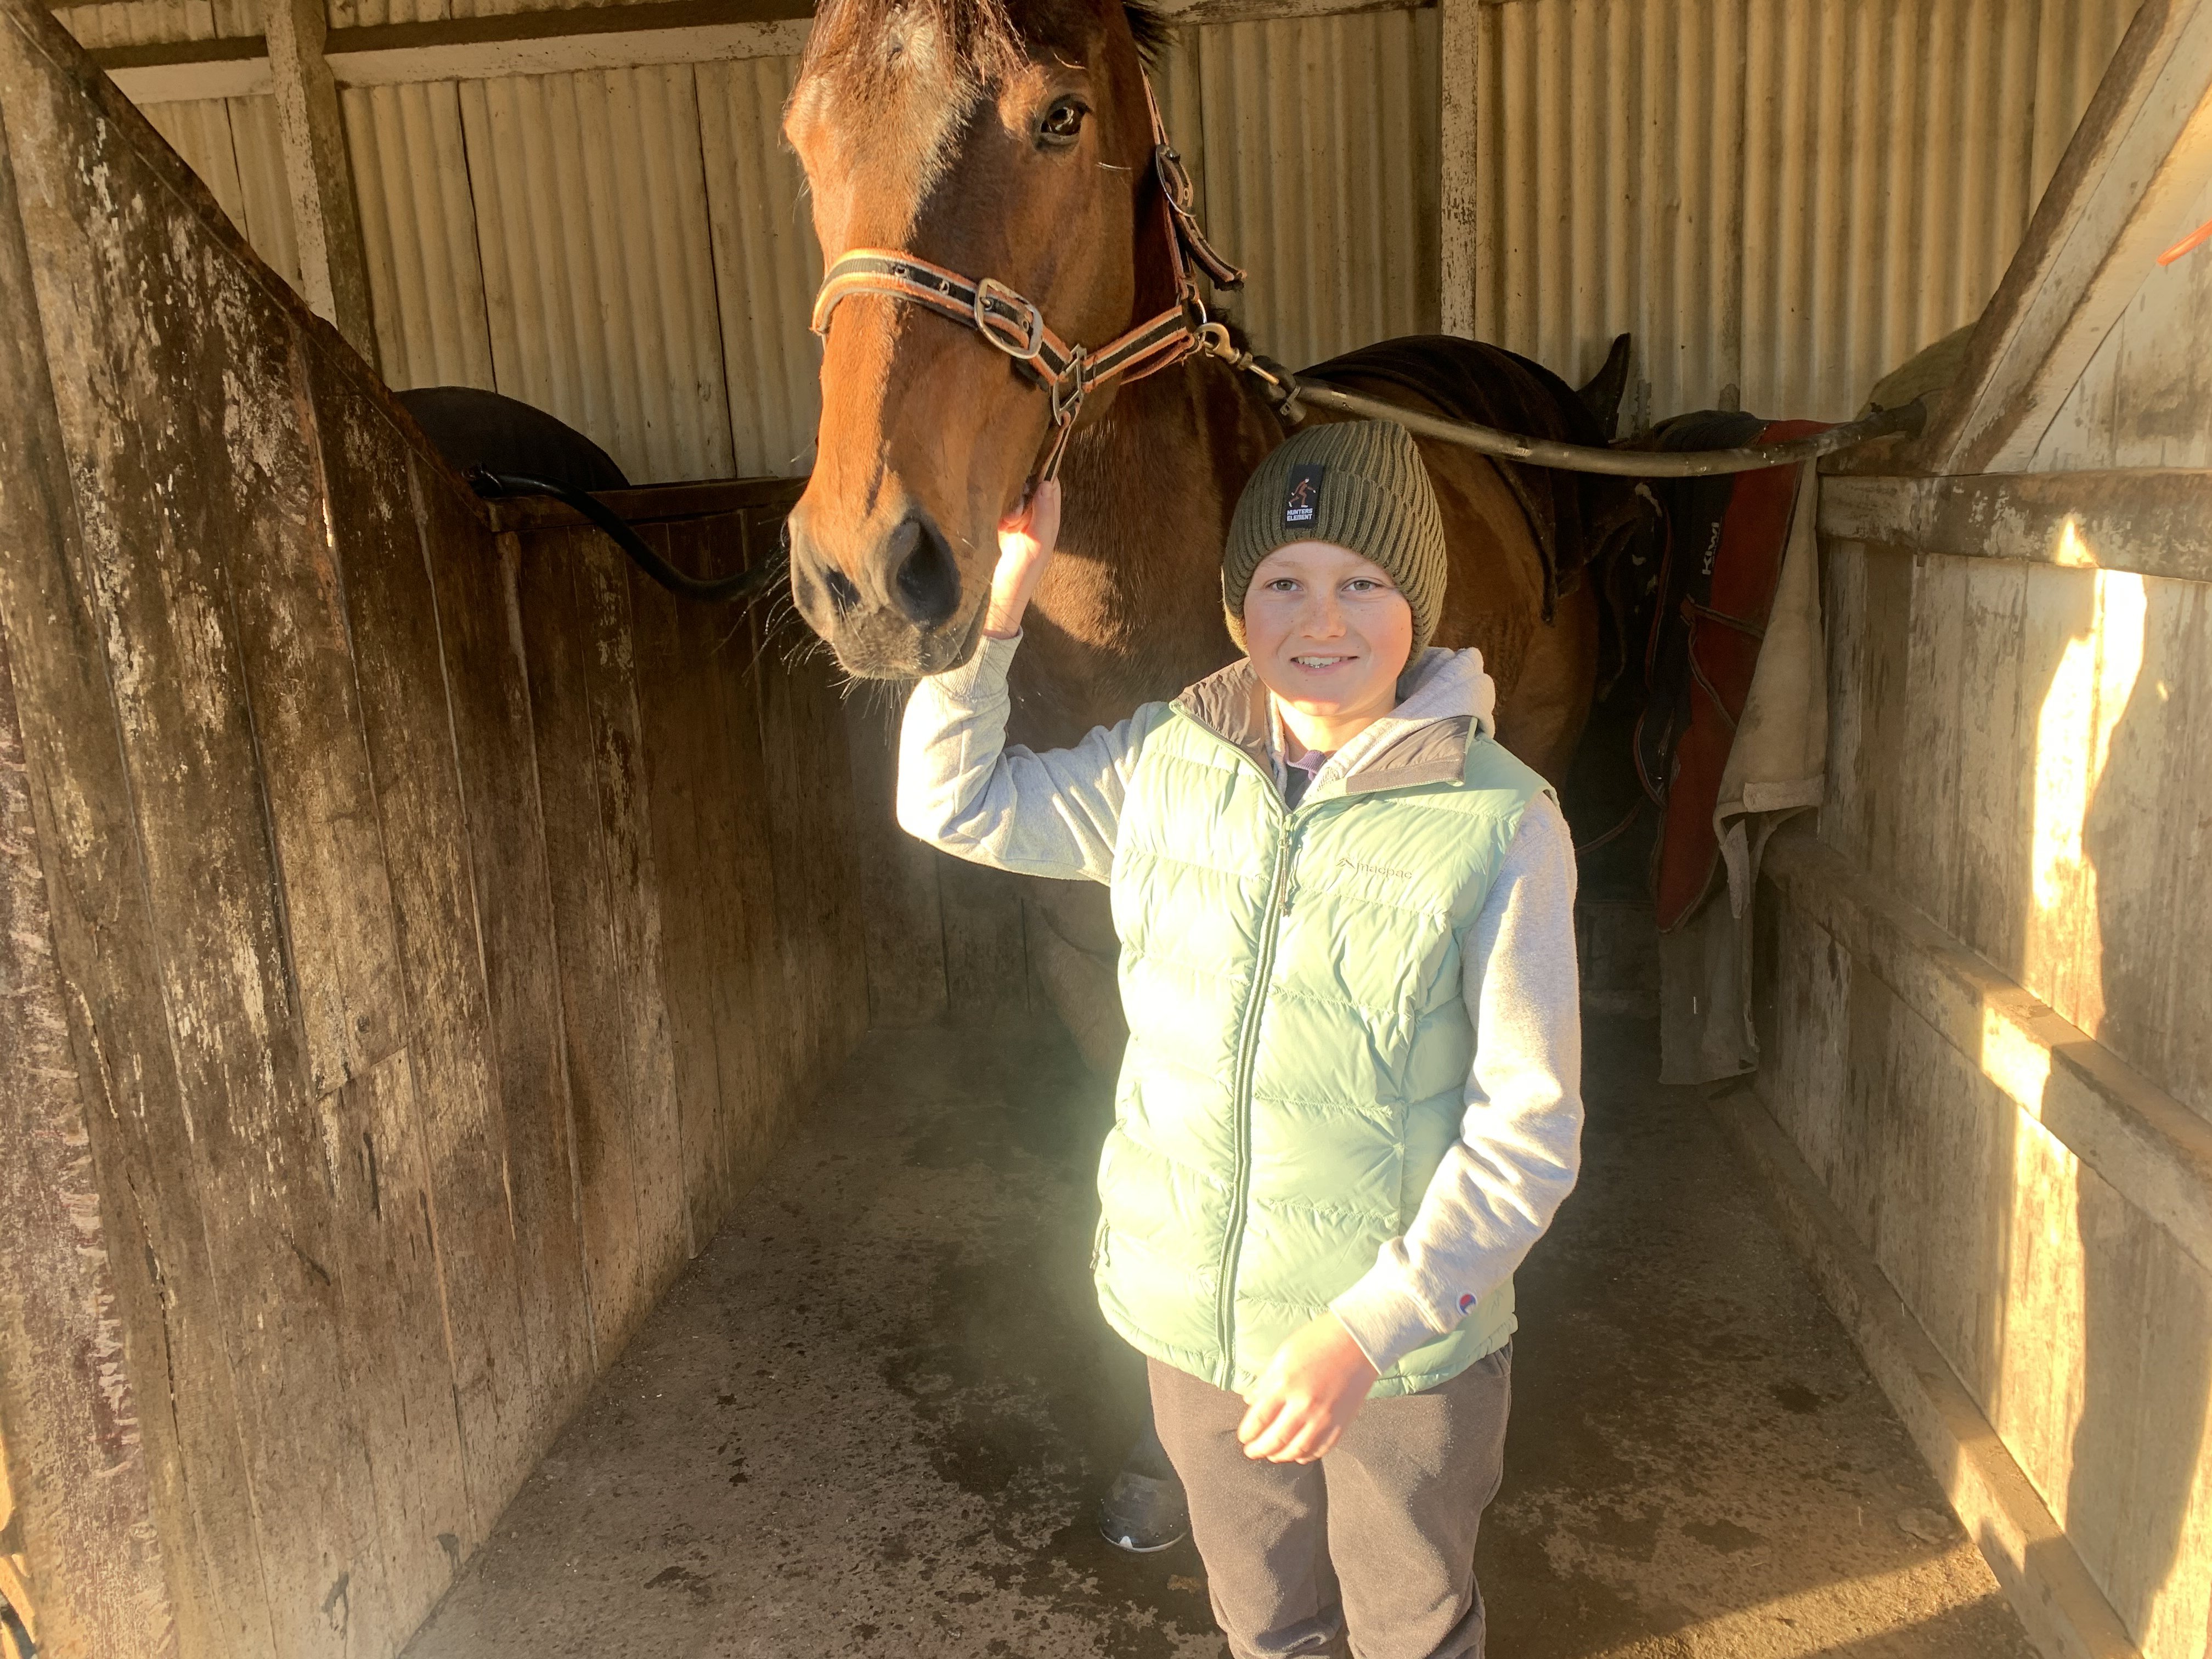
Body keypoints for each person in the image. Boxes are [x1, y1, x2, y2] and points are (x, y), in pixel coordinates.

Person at [897, 420, 1584, 1659]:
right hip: (1196, 1331)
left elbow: (1528, 1134)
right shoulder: (1163, 766)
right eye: (1285, 582)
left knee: (1413, 1629)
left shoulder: (1503, 824)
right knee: (1263, 1626)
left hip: (1403, 1361)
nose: (1322, 619)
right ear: (1235, 608)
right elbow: (950, 800)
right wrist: (997, 611)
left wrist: (1367, 1330)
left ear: (1418, 608)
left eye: (1362, 583)